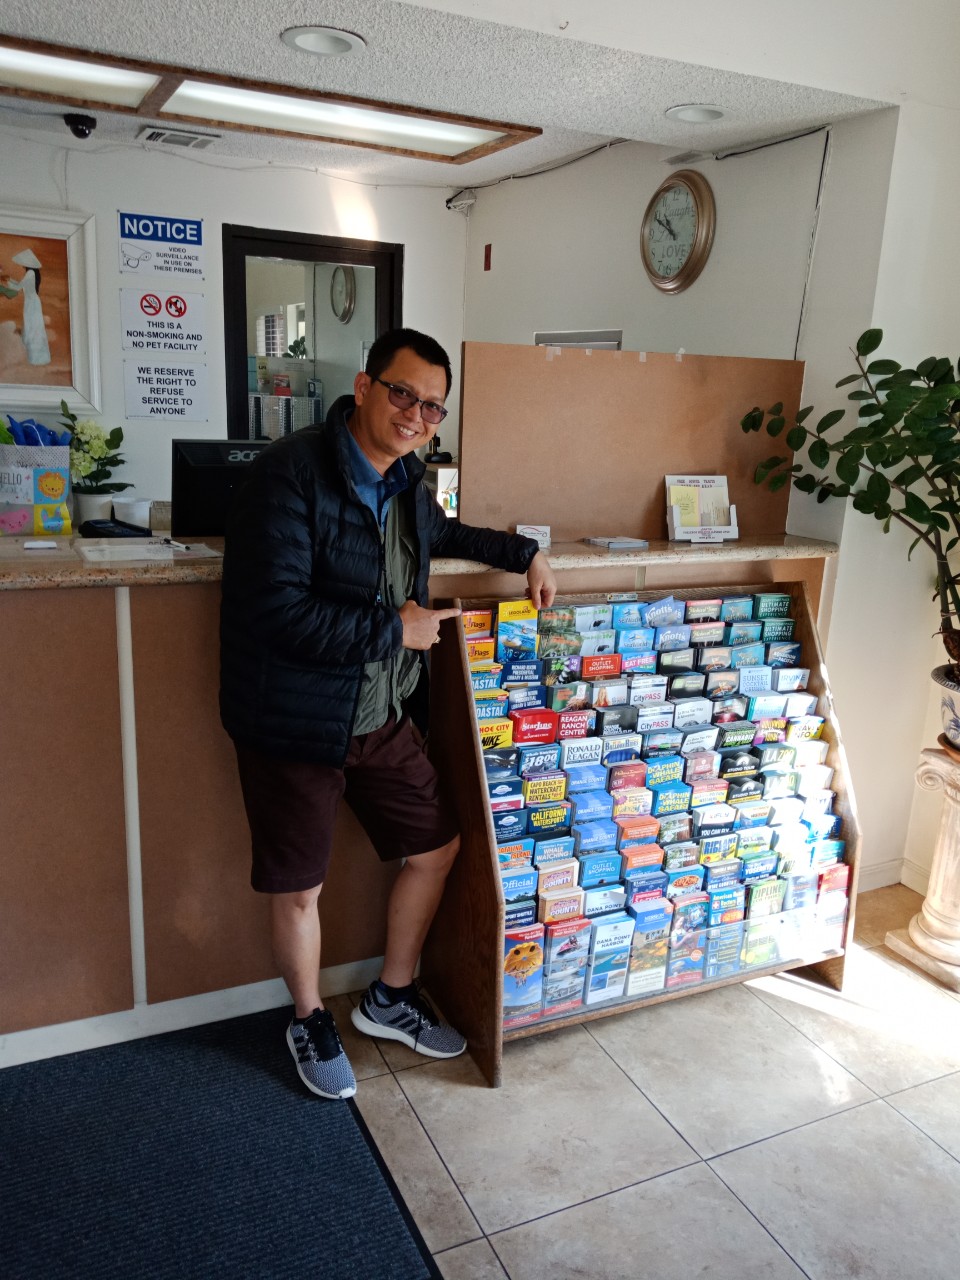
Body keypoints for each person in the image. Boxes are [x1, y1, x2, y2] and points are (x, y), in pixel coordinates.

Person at [220, 327, 556, 1099]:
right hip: (293, 723)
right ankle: (309, 1018)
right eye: (404, 394)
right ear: (365, 387)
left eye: (433, 407)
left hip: (378, 713)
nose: (416, 416)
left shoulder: (408, 481)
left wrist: (525, 553)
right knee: (300, 888)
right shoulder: (287, 476)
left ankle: (390, 997)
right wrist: (392, 631)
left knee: (437, 847)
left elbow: (447, 533)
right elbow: (276, 613)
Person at [3, 249, 51, 366]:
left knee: (32, 327)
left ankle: (36, 358)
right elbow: (21, 286)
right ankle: (36, 357)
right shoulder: (32, 273)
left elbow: (18, 288)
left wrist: (8, 280)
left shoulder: (30, 273)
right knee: (33, 326)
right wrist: (9, 280)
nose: (22, 265)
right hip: (31, 301)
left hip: (32, 302)